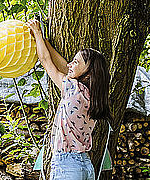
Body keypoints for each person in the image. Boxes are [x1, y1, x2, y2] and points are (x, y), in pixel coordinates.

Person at [26, 19, 111, 180]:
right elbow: (65, 67)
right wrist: (44, 41)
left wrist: (37, 33)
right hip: (85, 165)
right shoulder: (93, 95)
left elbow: (46, 62)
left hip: (67, 164)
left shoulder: (74, 89)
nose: (71, 64)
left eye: (77, 62)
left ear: (89, 72)